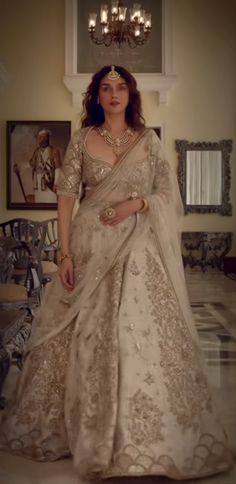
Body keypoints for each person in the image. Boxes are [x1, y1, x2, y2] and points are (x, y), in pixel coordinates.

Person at [0, 65, 232, 481]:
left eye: (120, 87)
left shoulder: (149, 141)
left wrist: (135, 205)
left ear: (130, 94)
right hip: (90, 252)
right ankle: (84, 428)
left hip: (141, 250)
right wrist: (65, 255)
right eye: (105, 87)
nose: (113, 94)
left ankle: (147, 437)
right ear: (96, 95)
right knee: (86, 335)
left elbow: (166, 194)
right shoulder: (81, 139)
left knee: (140, 332)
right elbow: (68, 197)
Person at [14, 129, 57, 203]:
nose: (42, 140)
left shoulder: (53, 151)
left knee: (50, 199)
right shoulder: (37, 152)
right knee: (39, 199)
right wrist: (20, 167)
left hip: (49, 182)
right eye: (40, 138)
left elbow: (58, 168)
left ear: (47, 138)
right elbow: (31, 163)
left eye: (44, 137)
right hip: (38, 181)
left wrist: (56, 183)